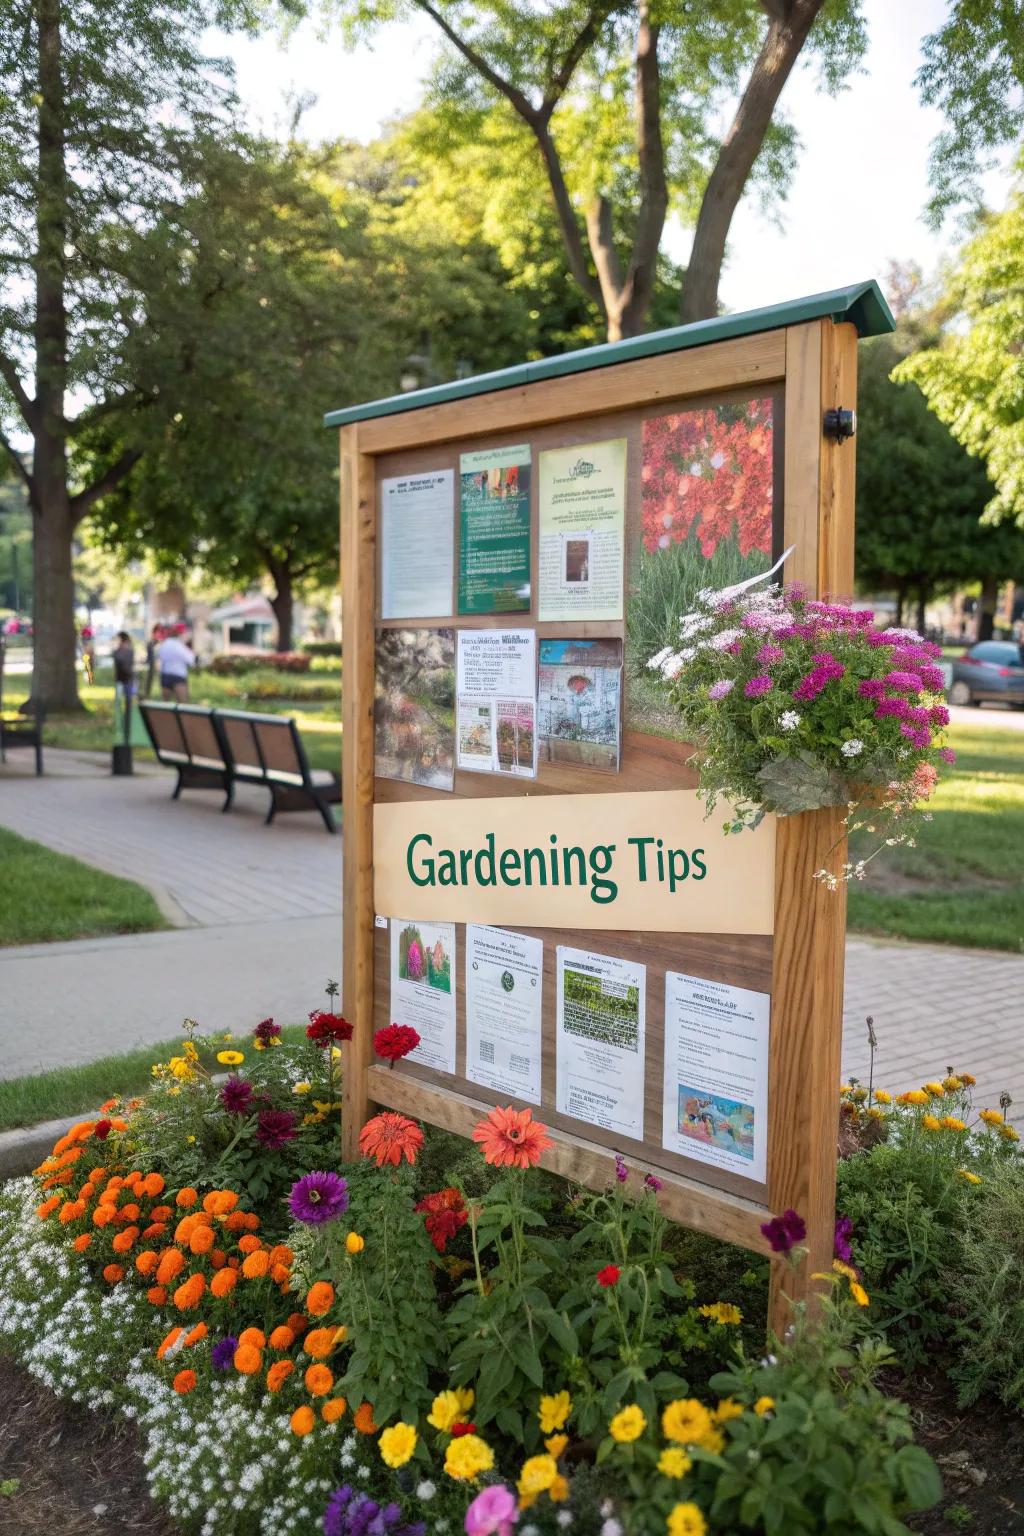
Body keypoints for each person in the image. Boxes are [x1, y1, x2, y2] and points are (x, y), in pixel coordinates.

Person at [157, 628, 195, 701]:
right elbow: (191, 660)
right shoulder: (180, 645)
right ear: (180, 634)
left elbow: (160, 656)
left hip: (165, 674)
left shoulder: (164, 644)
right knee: (183, 703)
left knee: (165, 703)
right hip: (178, 675)